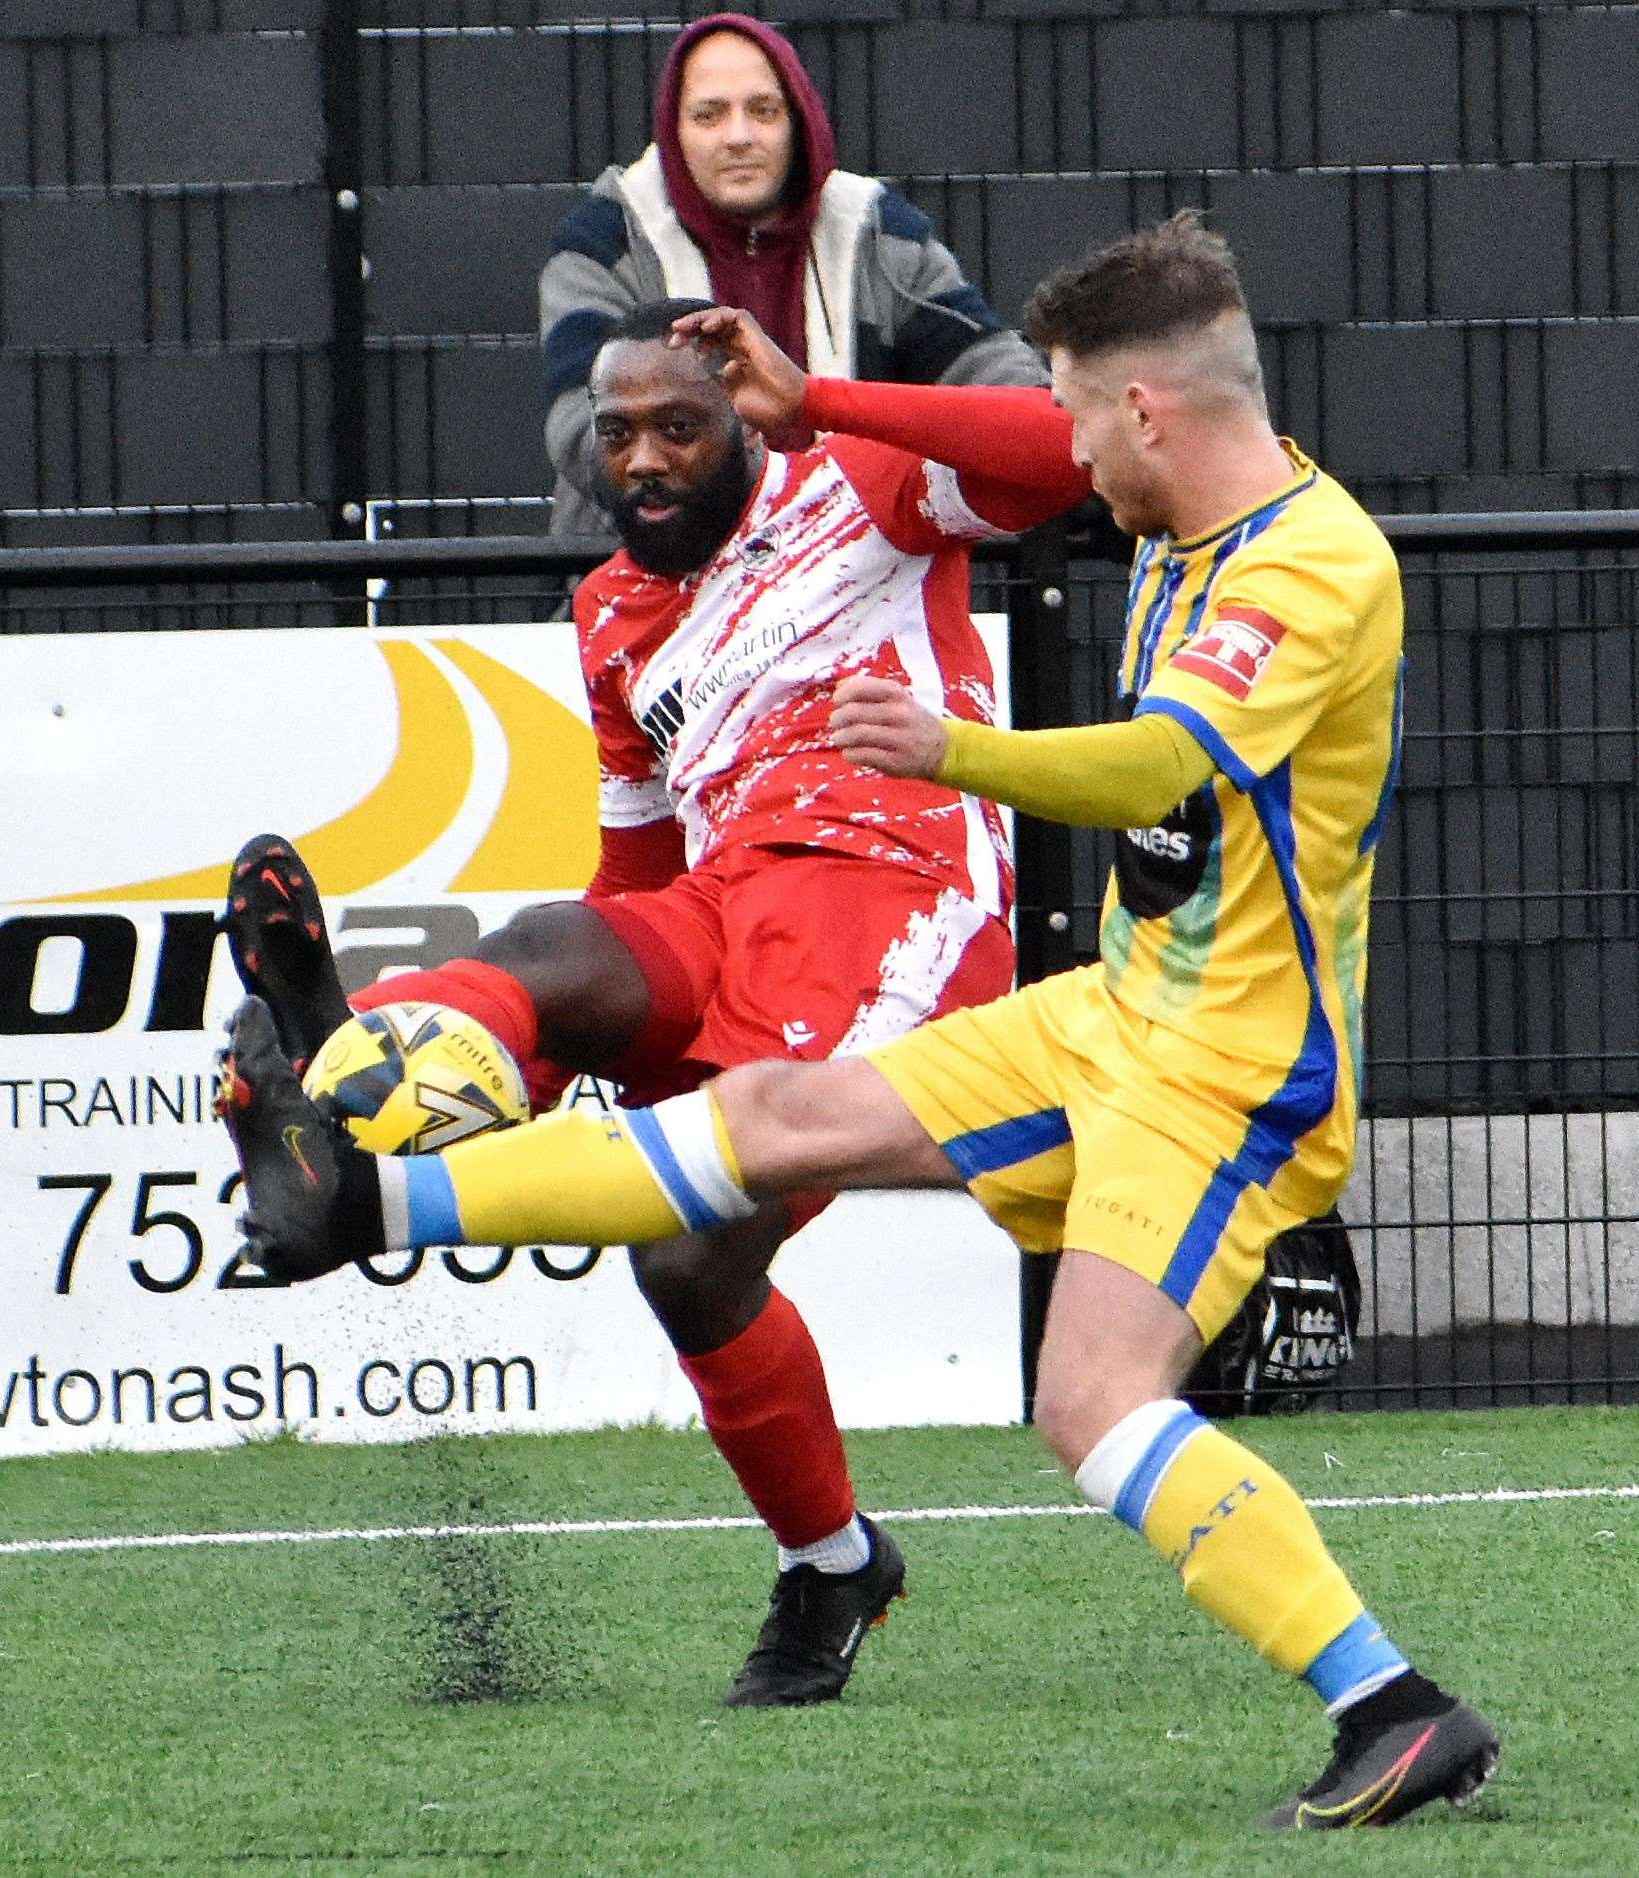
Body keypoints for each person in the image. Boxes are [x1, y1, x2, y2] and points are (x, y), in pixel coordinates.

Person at [221, 213, 1499, 1827]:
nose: (1069, 451)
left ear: (1146, 411)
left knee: (1091, 1400)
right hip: (1115, 1013)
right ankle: (362, 1192)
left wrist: (948, 745)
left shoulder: (1314, 562)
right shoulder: (1194, 530)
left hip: (1228, 1071)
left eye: (1080, 413)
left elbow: (1160, 766)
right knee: (778, 1118)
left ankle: (1393, 1702)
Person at [220, 296, 1089, 1708]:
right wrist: (555, 1054)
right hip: (721, 898)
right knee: (561, 941)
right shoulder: (611, 610)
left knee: (687, 1258)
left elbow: (1063, 450)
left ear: (738, 418)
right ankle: (349, 1071)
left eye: (679, 426)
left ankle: (830, 1568)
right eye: (615, 435)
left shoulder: (856, 486)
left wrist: (825, 398)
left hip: (892, 889)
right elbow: (637, 869)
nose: (642, 460)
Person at [540, 11, 1044, 544]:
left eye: (763, 111)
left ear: (799, 121)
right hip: (656, 570)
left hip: (856, 577)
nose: (738, 136)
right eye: (710, 115)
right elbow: (580, 428)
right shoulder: (606, 240)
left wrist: (1078, 428)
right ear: (673, 131)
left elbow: (993, 373)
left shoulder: (880, 232)